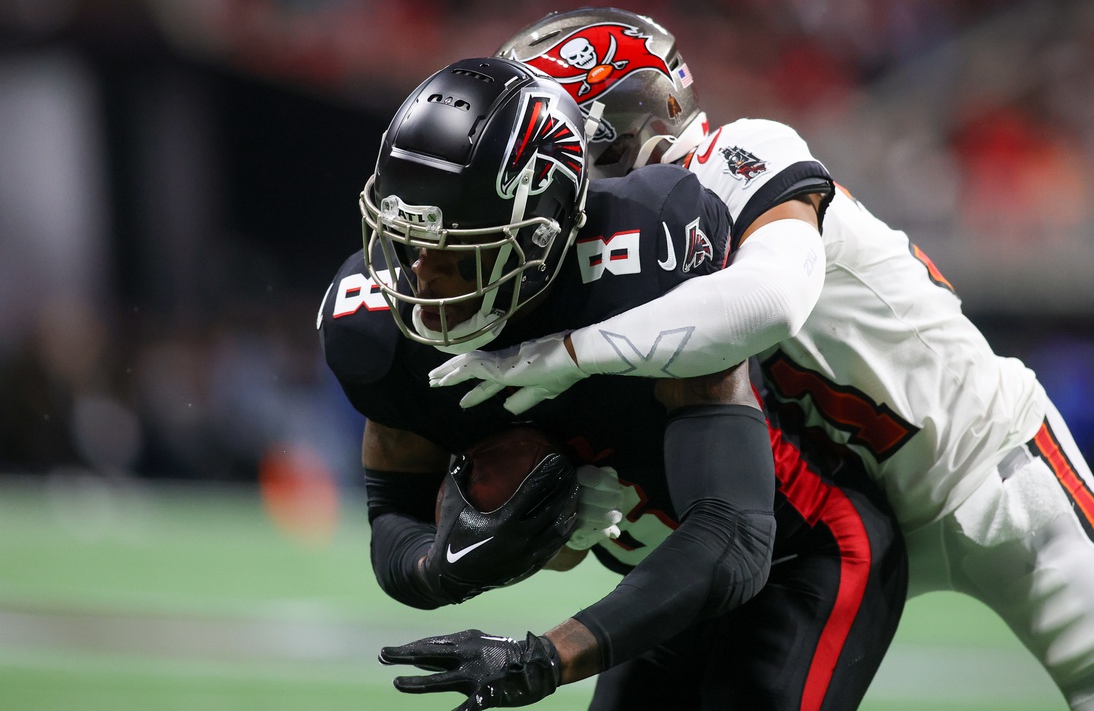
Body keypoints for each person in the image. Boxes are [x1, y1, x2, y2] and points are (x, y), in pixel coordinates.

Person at [429, 7, 1094, 710]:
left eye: (549, 142)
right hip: (839, 516)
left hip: (988, 470)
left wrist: (569, 353)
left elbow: (770, 299)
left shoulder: (742, 157)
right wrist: (583, 509)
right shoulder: (607, 251)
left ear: (622, 129)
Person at [319, 56, 906, 710]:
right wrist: (445, 565)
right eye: (405, 243)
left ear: (537, 235)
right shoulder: (377, 329)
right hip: (658, 573)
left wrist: (547, 656)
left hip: (803, 548)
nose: (419, 278)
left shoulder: (645, 255)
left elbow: (735, 535)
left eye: (455, 251)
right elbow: (392, 514)